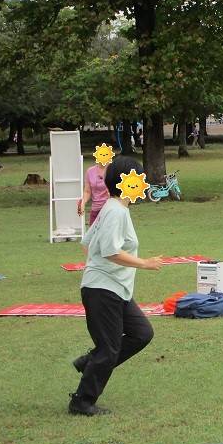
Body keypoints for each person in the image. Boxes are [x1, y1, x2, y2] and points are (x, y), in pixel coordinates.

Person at [68, 156, 164, 416]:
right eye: (139, 179)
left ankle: (90, 361)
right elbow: (110, 251)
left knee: (141, 333)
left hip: (116, 289)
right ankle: (82, 400)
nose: (143, 184)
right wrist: (144, 263)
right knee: (109, 349)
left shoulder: (114, 209)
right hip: (102, 289)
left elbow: (88, 241)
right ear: (126, 182)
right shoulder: (114, 211)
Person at [78, 154, 111, 226]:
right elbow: (87, 191)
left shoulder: (113, 169)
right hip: (95, 210)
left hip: (110, 210)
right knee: (93, 235)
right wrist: (82, 203)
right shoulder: (90, 171)